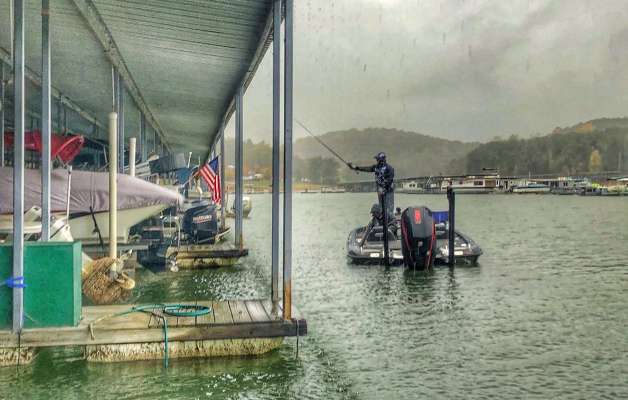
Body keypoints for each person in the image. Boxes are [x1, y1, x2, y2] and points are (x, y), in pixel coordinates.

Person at [348, 152, 395, 222]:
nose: (377, 161)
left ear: (382, 160)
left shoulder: (389, 168)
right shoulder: (376, 167)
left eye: (378, 159)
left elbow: (390, 180)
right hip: (380, 191)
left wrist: (384, 188)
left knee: (389, 208)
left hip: (388, 191)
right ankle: (383, 220)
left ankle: (391, 221)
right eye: (377, 159)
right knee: (382, 207)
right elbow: (367, 169)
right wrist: (356, 167)